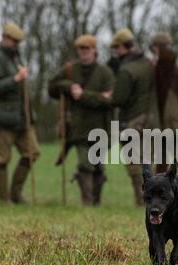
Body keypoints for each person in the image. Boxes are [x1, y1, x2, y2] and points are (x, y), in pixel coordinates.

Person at [48, 35, 114, 206]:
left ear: (94, 51)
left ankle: (96, 202)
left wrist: (83, 95)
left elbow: (110, 100)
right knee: (85, 164)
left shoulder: (105, 73)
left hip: (101, 128)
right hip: (78, 128)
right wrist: (69, 86)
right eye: (80, 49)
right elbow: (51, 86)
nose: (83, 52)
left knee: (98, 166)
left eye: (87, 49)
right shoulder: (70, 69)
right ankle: (87, 202)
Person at [0, 23, 40, 204]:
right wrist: (16, 79)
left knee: (32, 152)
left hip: (22, 117)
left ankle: (16, 194)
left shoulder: (16, 57)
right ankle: (4, 200)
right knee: (3, 157)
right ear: (5, 38)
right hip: (5, 118)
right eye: (14, 41)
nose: (17, 44)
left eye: (19, 42)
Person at [110, 28, 159, 206]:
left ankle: (142, 200)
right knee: (148, 161)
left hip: (132, 119)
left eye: (117, 48)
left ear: (123, 47)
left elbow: (119, 99)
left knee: (133, 164)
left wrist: (110, 95)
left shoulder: (126, 70)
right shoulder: (148, 63)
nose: (115, 52)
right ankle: (156, 199)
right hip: (151, 119)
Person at [150, 32, 178, 193]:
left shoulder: (176, 64)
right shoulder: (152, 66)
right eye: (159, 47)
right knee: (160, 165)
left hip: (176, 124)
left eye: (165, 47)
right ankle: (159, 196)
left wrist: (172, 62)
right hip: (159, 124)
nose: (162, 50)